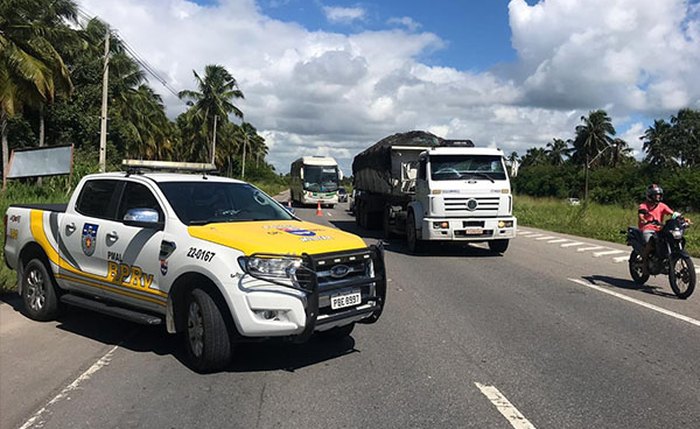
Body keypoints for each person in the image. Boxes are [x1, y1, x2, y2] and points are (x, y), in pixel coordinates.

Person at [637, 184, 691, 273]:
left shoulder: (662, 205)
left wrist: (683, 219)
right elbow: (641, 215)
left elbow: (673, 214)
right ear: (650, 195)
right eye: (655, 195)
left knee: (672, 239)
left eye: (659, 195)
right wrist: (643, 220)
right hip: (647, 228)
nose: (658, 197)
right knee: (650, 243)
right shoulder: (644, 205)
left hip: (659, 228)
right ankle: (644, 264)